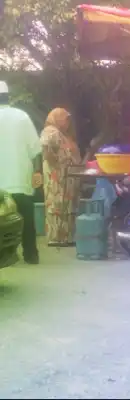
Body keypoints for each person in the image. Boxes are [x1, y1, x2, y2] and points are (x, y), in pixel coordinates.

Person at [0, 81, 42, 264]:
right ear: (8, 97)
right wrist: (37, 172)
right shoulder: (21, 116)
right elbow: (35, 150)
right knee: (25, 218)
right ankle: (31, 254)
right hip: (19, 179)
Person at [40, 108, 81, 247]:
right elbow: (46, 149)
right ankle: (55, 237)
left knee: (67, 207)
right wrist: (56, 164)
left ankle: (66, 237)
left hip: (67, 178)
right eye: (64, 119)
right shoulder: (50, 131)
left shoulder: (63, 134)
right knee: (56, 206)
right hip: (56, 178)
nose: (67, 123)